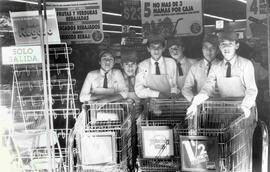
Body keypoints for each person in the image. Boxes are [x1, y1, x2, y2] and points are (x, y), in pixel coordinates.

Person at [186, 30, 258, 118]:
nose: (226, 48)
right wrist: (195, 103)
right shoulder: (216, 67)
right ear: (219, 47)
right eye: (223, 44)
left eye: (230, 44)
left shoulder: (246, 64)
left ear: (237, 45)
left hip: (245, 110)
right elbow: (207, 89)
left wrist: (245, 106)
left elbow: (251, 90)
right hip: (226, 110)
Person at [135, 33, 178, 99]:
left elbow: (175, 84)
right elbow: (139, 90)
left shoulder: (171, 63)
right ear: (148, 49)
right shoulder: (142, 65)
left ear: (163, 48)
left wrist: (174, 93)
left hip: (169, 101)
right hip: (150, 103)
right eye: (153, 47)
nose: (156, 50)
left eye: (159, 47)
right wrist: (157, 94)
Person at [182, 34, 220, 102]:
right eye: (205, 48)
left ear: (218, 51)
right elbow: (186, 88)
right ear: (202, 49)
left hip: (220, 104)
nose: (208, 51)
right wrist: (194, 101)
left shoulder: (222, 66)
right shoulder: (195, 67)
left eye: (212, 48)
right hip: (201, 105)